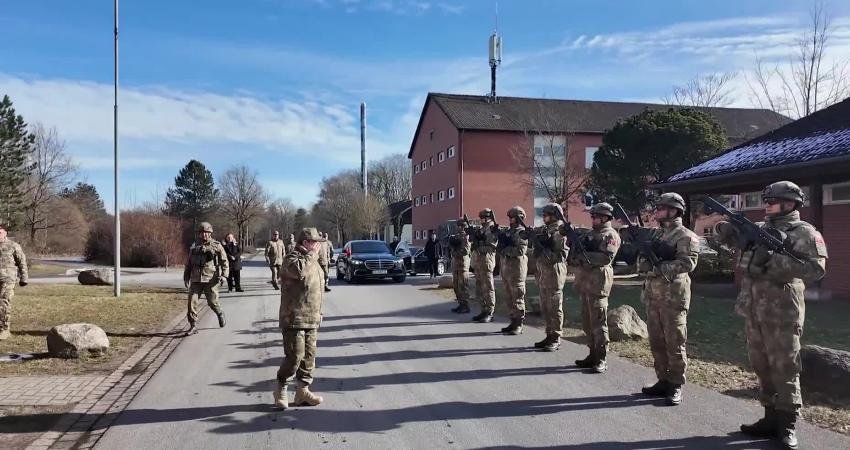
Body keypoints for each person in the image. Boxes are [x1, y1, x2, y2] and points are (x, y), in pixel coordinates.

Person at [714, 181, 826, 450]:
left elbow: (816, 269)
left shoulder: (804, 233)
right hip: (754, 307)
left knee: (785, 367)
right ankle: (770, 417)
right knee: (761, 365)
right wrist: (725, 228)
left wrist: (771, 262)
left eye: (772, 200)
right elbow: (725, 239)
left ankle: (787, 424)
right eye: (766, 200)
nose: (767, 205)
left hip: (782, 311)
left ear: (790, 203)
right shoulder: (761, 229)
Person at [634, 193, 699, 406]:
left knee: (675, 341)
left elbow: (687, 263)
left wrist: (658, 267)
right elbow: (641, 262)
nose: (657, 211)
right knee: (656, 341)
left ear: (674, 210)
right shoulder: (655, 235)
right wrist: (647, 265)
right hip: (653, 295)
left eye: (661, 207)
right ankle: (662, 379)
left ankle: (676, 384)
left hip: (673, 297)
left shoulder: (685, 236)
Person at [273, 227, 327, 409]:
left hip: (311, 317)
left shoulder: (314, 260)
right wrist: (312, 256)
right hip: (294, 318)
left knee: (309, 358)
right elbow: (300, 272)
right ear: (305, 243)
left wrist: (319, 312)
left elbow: (317, 288)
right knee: (294, 357)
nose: (318, 246)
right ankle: (281, 387)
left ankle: (302, 391)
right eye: (315, 242)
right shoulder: (292, 258)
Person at [568, 202, 621, 373]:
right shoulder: (590, 234)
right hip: (585, 282)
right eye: (592, 216)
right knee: (587, 322)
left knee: (599, 322)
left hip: (598, 283)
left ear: (605, 217)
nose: (592, 219)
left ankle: (601, 357)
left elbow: (606, 258)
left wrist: (585, 255)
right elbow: (576, 256)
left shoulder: (610, 235)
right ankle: (592, 353)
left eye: (596, 216)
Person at [533, 203, 569, 352]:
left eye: (546, 214)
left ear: (554, 215)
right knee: (545, 305)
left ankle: (556, 337)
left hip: (554, 271)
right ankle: (549, 334)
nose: (544, 217)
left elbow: (561, 255)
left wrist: (546, 249)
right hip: (544, 272)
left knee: (554, 306)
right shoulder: (546, 229)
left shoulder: (561, 230)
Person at [183, 222, 229, 336]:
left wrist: (224, 275)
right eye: (202, 232)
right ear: (199, 234)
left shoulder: (216, 245)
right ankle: (193, 325)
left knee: (212, 302)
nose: (204, 235)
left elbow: (224, 261)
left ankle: (220, 313)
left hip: (211, 279)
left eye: (206, 232)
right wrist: (186, 276)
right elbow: (188, 263)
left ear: (210, 233)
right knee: (191, 303)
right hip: (195, 279)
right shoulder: (194, 246)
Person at [497, 206, 529, 335]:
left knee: (517, 296)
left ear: (519, 218)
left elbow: (521, 250)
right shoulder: (509, 231)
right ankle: (512, 321)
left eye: (512, 217)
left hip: (516, 269)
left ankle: (519, 323)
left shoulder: (522, 232)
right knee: (509, 296)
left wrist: (506, 249)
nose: (510, 219)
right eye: (509, 217)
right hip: (506, 269)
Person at [469, 208, 499, 323]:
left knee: (488, 287)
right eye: (481, 217)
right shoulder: (482, 228)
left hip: (487, 261)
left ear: (488, 217)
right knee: (480, 287)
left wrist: (479, 244)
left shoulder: (492, 228)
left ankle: (490, 312)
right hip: (479, 261)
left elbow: (492, 246)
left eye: (483, 217)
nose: (481, 220)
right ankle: (483, 310)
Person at [0, 222, 28, 340]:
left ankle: (4, 329)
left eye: (0, 232)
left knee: (3, 302)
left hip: (7, 279)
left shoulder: (13, 245)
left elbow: (22, 262)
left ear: (5, 232)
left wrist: (24, 277)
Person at [448, 219, 471, 314]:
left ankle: (465, 305)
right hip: (456, 265)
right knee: (456, 286)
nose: (457, 227)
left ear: (462, 226)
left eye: (458, 226)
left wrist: (455, 251)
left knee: (462, 286)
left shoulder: (466, 237)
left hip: (462, 265)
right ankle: (460, 304)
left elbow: (466, 251)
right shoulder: (457, 236)